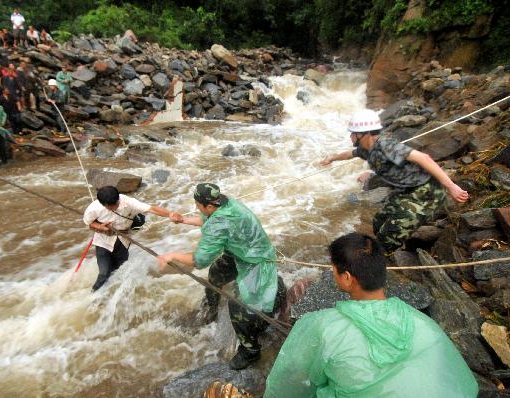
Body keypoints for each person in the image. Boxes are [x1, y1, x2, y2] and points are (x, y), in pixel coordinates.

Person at [264, 232, 478, 397]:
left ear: (347, 278)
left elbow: (287, 385)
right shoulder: (422, 321)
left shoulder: (323, 327)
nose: (332, 273)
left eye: (333, 269)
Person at [157, 183, 285, 370]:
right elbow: (209, 220)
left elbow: (199, 260)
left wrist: (171, 255)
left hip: (256, 260)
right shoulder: (225, 203)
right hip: (239, 252)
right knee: (216, 274)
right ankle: (212, 307)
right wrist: (183, 220)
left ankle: (250, 351)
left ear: (209, 206)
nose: (197, 208)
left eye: (197, 205)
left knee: (238, 306)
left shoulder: (219, 222)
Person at [321, 109, 469, 253]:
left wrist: (451, 186)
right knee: (379, 222)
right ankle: (397, 244)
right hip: (405, 191)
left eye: (353, 133)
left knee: (387, 238)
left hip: (426, 193)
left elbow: (424, 158)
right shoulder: (367, 147)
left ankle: (385, 256)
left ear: (363, 134)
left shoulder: (386, 145)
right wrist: (331, 159)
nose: (351, 136)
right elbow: (349, 154)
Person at [83, 185, 180, 291]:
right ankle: (93, 294)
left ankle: (109, 294)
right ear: (103, 204)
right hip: (102, 242)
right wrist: (100, 227)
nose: (115, 207)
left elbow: (151, 209)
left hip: (123, 241)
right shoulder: (94, 208)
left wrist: (170, 214)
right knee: (104, 272)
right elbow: (89, 223)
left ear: (118, 198)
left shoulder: (128, 202)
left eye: (116, 204)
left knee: (118, 271)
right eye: (110, 207)